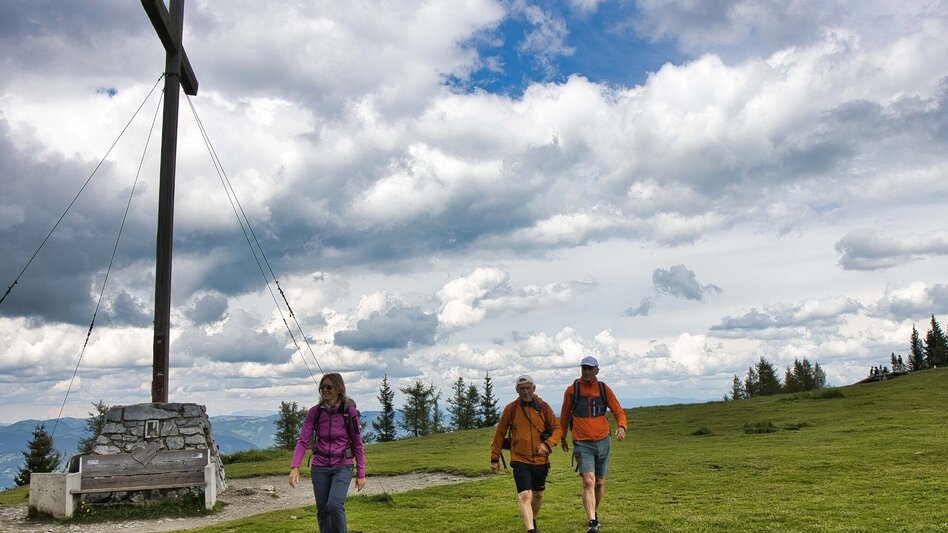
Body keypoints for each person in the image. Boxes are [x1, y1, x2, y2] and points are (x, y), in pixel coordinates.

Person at [289, 373, 366, 533]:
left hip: (342, 465)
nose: (324, 390)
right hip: (319, 466)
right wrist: (295, 467)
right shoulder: (314, 412)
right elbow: (303, 441)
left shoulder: (349, 412)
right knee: (323, 510)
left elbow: (358, 444)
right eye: (322, 387)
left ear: (339, 389)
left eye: (329, 387)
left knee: (334, 505)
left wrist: (361, 474)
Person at [560, 356, 627, 533]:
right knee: (588, 481)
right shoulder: (572, 390)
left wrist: (621, 426)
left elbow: (617, 410)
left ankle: (594, 513)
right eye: (584, 368)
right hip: (582, 443)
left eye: (590, 368)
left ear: (597, 370)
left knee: (599, 483)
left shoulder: (603, 389)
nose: (587, 372)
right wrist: (562, 436)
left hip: (603, 441)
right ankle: (592, 521)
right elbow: (564, 414)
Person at [490, 375, 562, 533]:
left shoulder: (543, 407)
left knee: (538, 495)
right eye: (521, 389)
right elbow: (499, 434)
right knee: (524, 495)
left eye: (528, 388)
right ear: (517, 390)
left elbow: (557, 429)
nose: (525, 391)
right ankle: (531, 530)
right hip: (519, 459)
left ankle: (532, 520)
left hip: (541, 460)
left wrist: (548, 443)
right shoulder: (511, 409)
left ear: (534, 388)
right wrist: (494, 458)